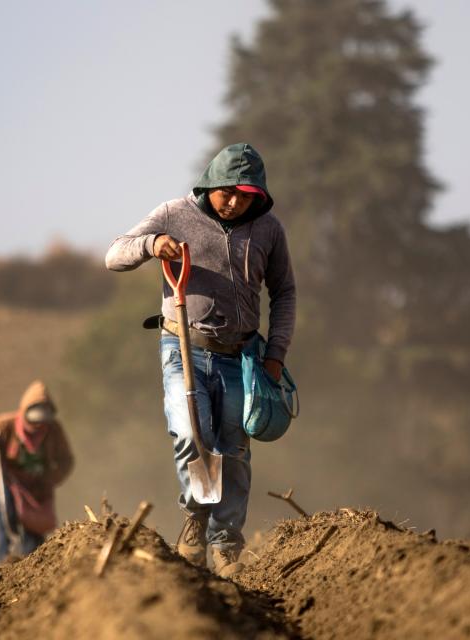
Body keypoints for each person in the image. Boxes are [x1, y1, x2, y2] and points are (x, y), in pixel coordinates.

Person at [105, 142, 296, 577]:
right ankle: (196, 515)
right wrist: (152, 244)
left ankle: (226, 541)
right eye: (226, 191)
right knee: (193, 435)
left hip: (243, 356)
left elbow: (284, 292)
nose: (233, 202)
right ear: (210, 184)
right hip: (183, 348)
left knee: (233, 450)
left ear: (258, 195)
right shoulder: (174, 213)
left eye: (245, 195)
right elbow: (114, 254)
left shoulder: (269, 230)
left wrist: (276, 357)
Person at [0, 379, 74, 561]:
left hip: (38, 488)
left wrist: (50, 480)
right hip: (9, 486)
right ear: (24, 412)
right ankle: (7, 565)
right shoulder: (4, 425)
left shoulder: (53, 430)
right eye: (34, 416)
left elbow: (67, 460)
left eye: (43, 417)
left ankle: (32, 568)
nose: (38, 424)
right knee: (8, 527)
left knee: (35, 536)